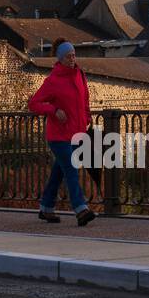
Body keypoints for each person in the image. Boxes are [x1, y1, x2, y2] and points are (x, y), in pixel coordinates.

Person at [28, 40, 97, 227]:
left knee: (59, 173)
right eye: (68, 56)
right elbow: (34, 103)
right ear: (60, 58)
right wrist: (53, 110)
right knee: (72, 170)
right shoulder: (53, 80)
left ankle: (46, 208)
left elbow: (85, 99)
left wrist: (87, 116)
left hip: (76, 133)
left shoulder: (79, 75)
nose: (72, 58)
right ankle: (81, 209)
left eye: (74, 54)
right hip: (58, 136)